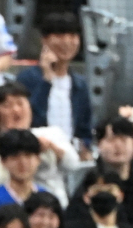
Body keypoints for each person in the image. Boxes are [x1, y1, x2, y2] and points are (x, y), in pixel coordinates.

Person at [0, 82, 80, 207]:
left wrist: (52, 148)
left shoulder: (51, 133)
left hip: (53, 204)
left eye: (20, 103)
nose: (16, 110)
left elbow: (73, 165)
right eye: (7, 105)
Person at [16, 11, 91, 147]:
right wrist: (46, 80)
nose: (67, 41)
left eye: (73, 35)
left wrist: (84, 146)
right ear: (44, 39)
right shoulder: (27, 79)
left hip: (70, 155)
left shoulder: (80, 84)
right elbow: (30, 118)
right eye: (59, 35)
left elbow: (85, 129)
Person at [0, 129, 49, 217]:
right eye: (15, 156)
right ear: (3, 161)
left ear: (38, 159)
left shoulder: (46, 198)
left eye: (28, 155)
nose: (22, 162)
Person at [62, 165, 130, 228]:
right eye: (98, 190)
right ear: (86, 196)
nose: (104, 194)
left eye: (110, 190)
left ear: (121, 196)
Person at [96, 116, 133, 207]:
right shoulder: (93, 183)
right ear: (99, 144)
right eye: (111, 140)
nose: (118, 145)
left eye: (123, 139)